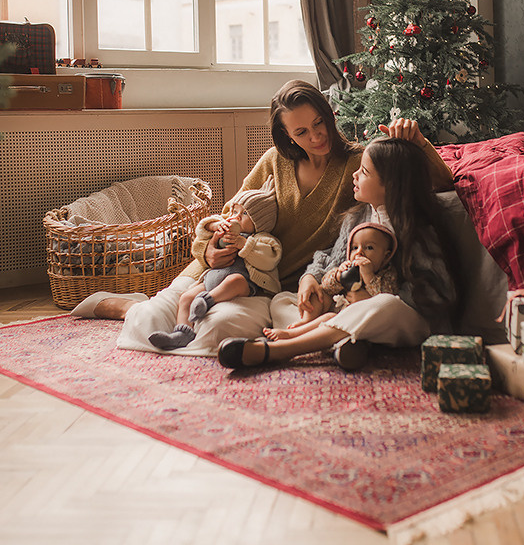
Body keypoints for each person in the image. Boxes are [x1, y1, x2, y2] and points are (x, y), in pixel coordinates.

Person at [72, 79, 453, 357]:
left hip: (273, 287)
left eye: (319, 122)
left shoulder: (358, 165)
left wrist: (419, 142)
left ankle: (145, 308)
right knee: (152, 321)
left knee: (212, 335)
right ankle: (128, 306)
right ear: (287, 137)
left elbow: (435, 181)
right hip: (224, 272)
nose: (317, 135)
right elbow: (226, 219)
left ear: (328, 114)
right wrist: (210, 252)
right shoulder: (273, 163)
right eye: (302, 131)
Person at [218, 135, 463, 371]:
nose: (355, 175)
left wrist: (373, 294)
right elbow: (331, 258)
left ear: (391, 185)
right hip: (346, 307)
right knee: (284, 300)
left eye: (364, 172)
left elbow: (440, 294)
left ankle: (282, 349)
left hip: (402, 317)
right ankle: (347, 343)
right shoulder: (356, 217)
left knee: (384, 305)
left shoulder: (417, 231)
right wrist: (310, 279)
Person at [147, 178, 282, 351]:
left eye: (245, 214)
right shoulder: (225, 230)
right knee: (186, 297)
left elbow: (270, 258)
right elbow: (201, 230)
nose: (236, 217)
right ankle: (182, 332)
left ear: (260, 223)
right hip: (211, 278)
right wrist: (215, 226)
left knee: (234, 281)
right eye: (235, 210)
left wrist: (244, 244)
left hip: (244, 283)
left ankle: (208, 300)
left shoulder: (262, 239)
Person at [263, 220, 398, 346]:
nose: (359, 252)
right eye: (354, 247)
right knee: (319, 293)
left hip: (352, 320)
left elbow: (385, 297)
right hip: (336, 306)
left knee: (330, 317)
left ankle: (292, 334)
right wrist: (338, 275)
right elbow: (327, 285)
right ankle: (306, 323)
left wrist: (368, 275)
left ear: (385, 256)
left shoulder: (387, 275)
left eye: (369, 247)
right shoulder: (348, 266)